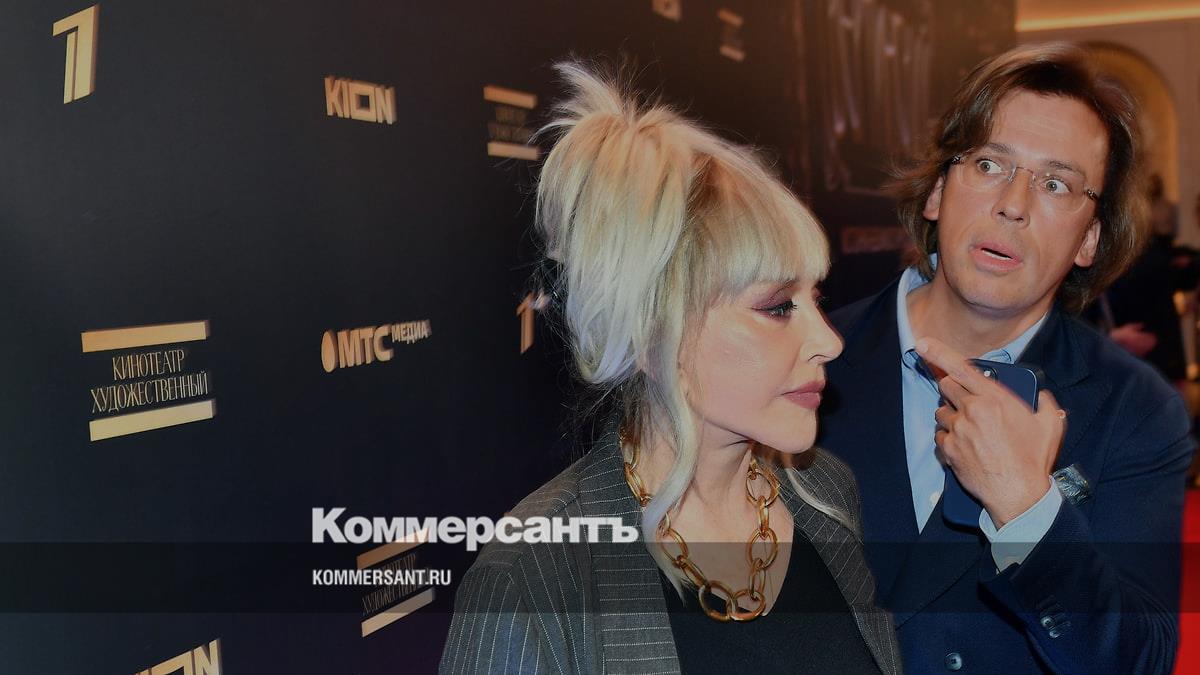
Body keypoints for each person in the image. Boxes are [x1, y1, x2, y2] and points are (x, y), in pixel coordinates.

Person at [439, 63, 901, 674]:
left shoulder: (824, 495)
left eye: (816, 299)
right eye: (777, 307)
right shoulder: (534, 577)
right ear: (653, 331)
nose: (828, 342)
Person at [820, 42, 1194, 673]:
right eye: (990, 165)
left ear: (1089, 239)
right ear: (938, 191)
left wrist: (1027, 509)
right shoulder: (811, 362)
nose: (1014, 204)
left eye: (1055, 184)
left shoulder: (1135, 408)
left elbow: (1140, 660)